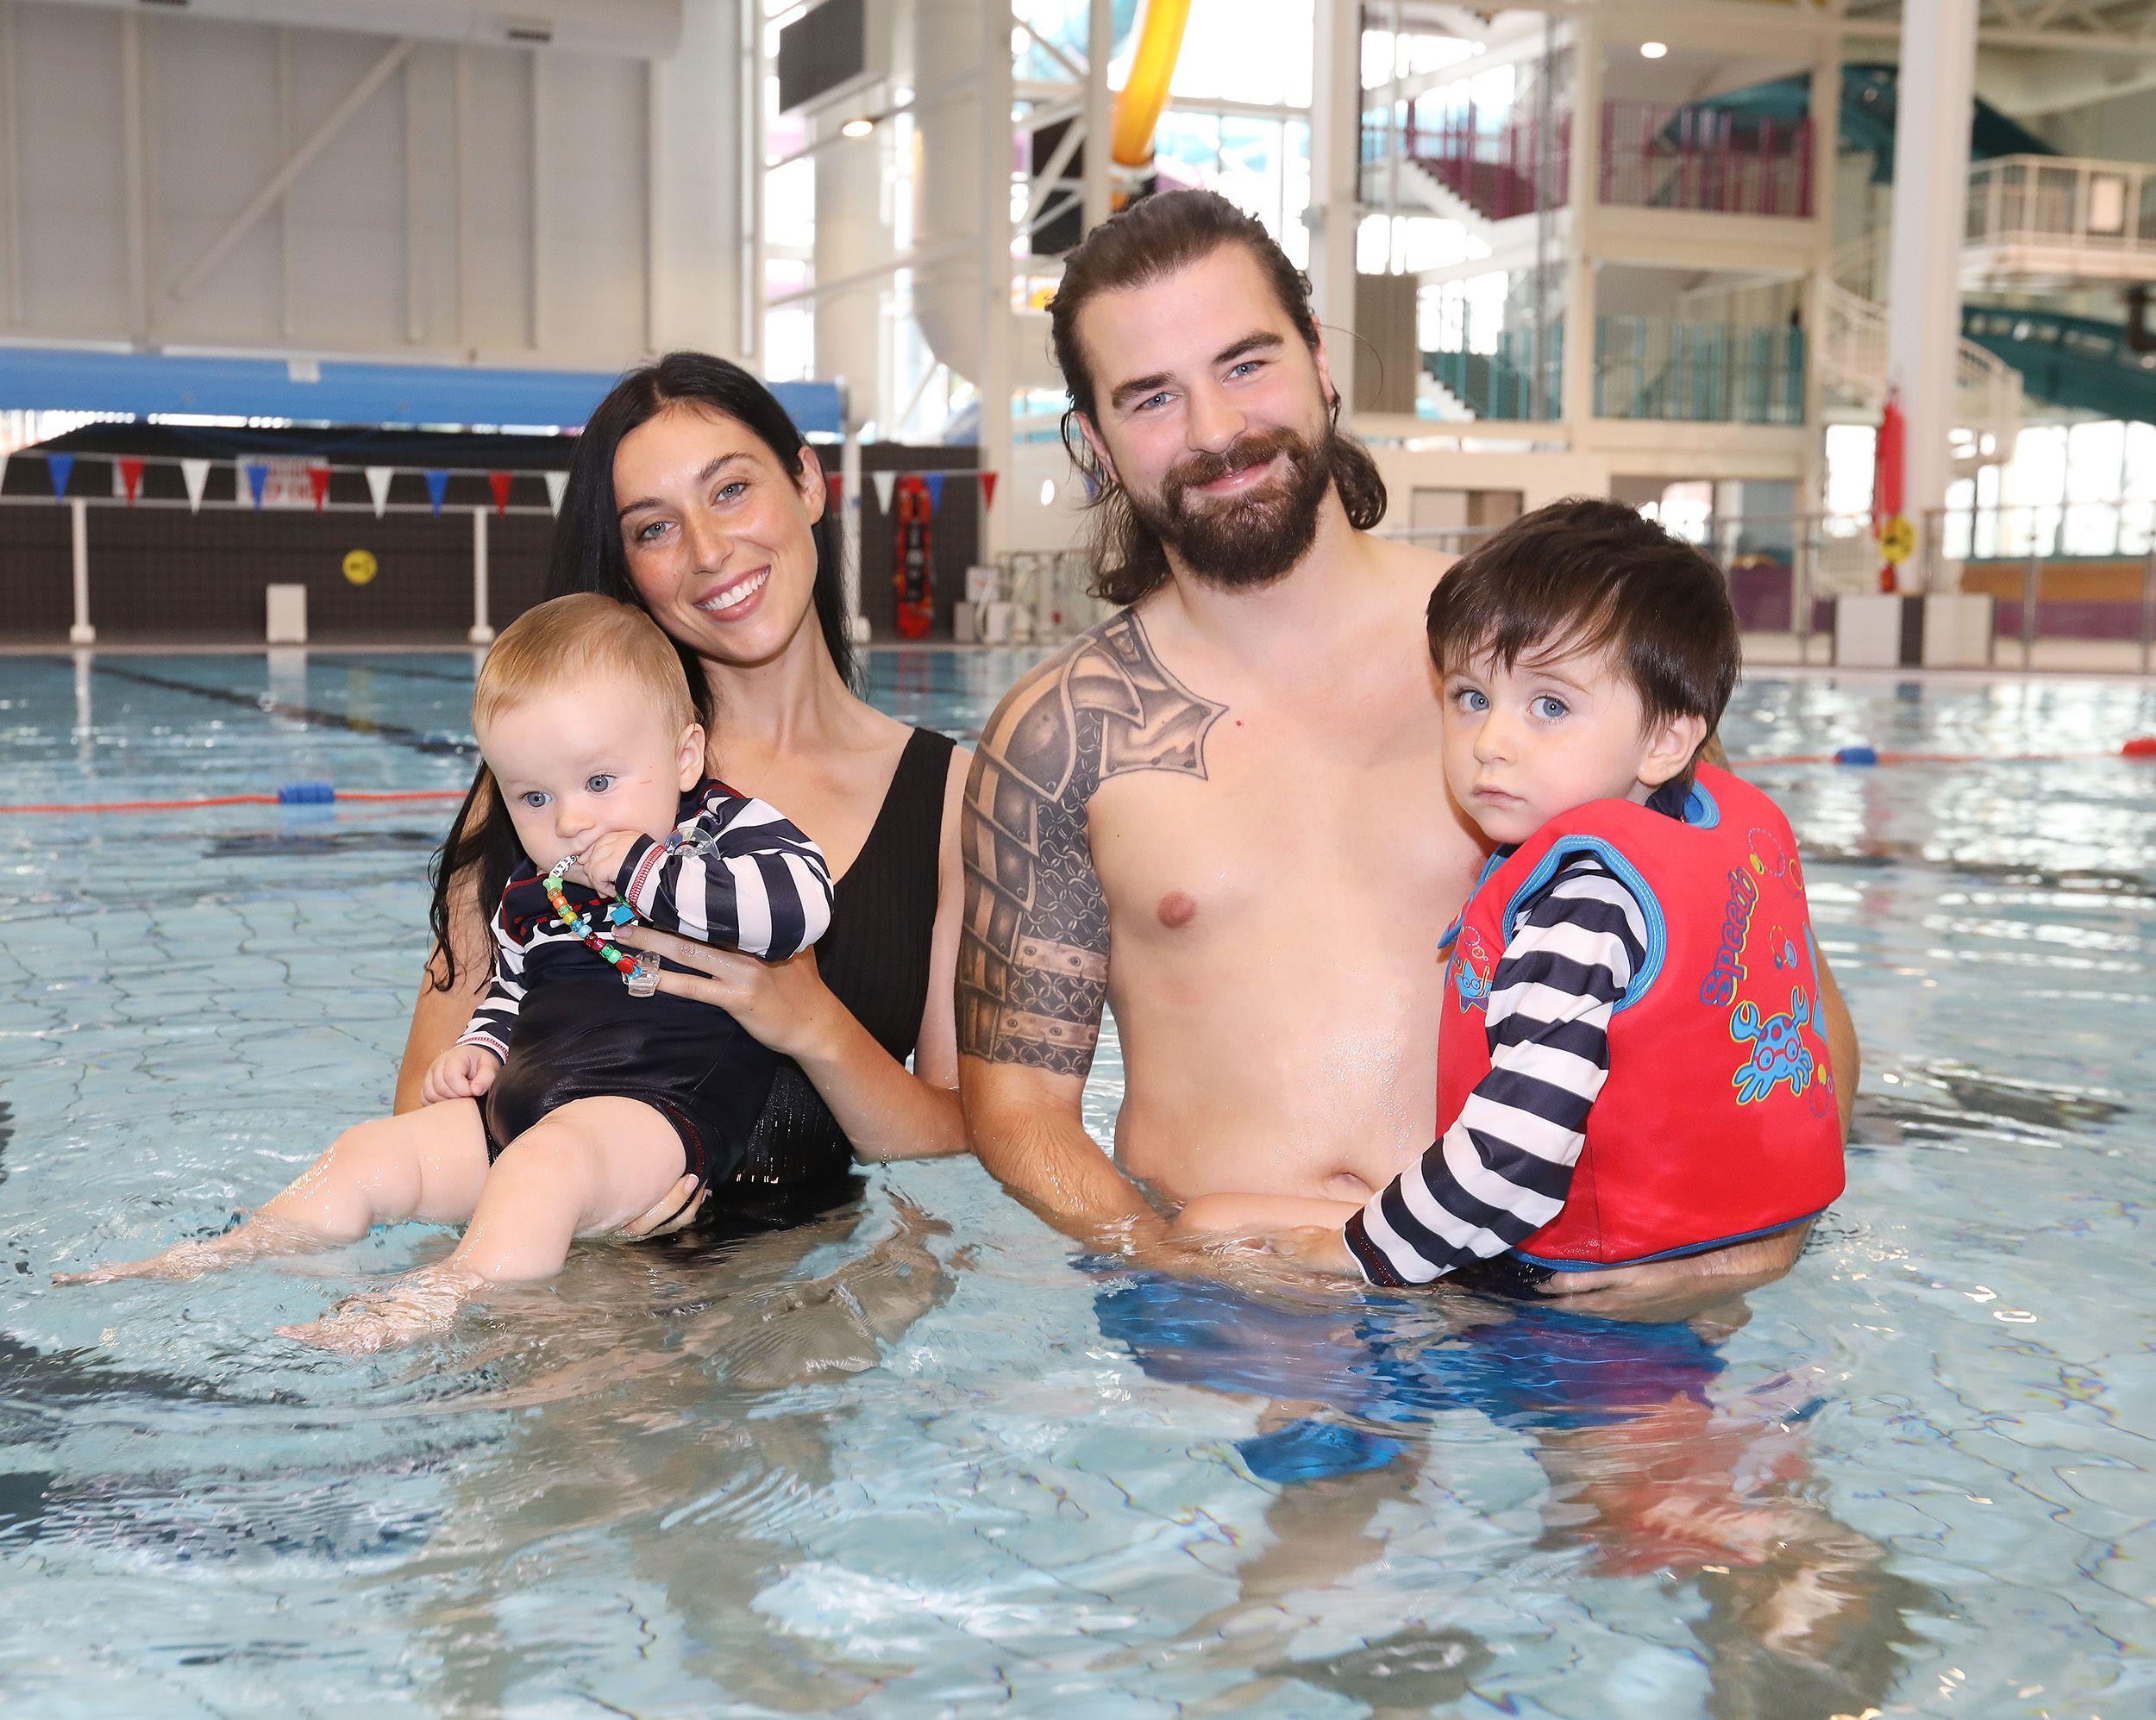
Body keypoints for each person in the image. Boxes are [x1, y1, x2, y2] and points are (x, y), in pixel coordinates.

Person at [957, 187, 1858, 1301]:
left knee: (1696, 1481)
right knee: (1327, 1472)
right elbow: (1015, 1106)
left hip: (1573, 1280)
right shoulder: (1058, 735)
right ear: (1093, 442)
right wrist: (1163, 1259)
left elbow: (1777, 990)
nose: (1215, 429)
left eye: (1247, 365)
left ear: (1323, 359)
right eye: (1152, 397)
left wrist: (1737, 1246)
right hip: (1247, 1297)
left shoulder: (1546, 666)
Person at [55, 594, 835, 1349]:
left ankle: (440, 1295)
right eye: (535, 796)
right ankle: (239, 1248)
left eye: (600, 782)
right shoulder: (537, 890)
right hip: (523, 1116)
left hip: (657, 1116)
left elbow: (803, 906)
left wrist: (645, 870)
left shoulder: (722, 835)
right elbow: (514, 987)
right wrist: (482, 1051)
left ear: (684, 755)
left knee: (545, 1165)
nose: (570, 820)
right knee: (370, 1150)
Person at [1175, 497, 1847, 1287]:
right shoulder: (1693, 836)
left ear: (1668, 739)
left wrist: (1359, 1252)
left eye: (1550, 706)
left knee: (1211, 1232)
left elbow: (1516, 1159)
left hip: (1570, 1271)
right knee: (1217, 1221)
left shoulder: (1584, 905)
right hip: (1696, 1238)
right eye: (1471, 698)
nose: (1491, 743)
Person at [398, 353, 971, 1233]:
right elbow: (424, 1116)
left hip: (800, 1308)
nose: (708, 551)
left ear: (807, 482)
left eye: (731, 489)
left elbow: (959, 1142)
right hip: (560, 1282)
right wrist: (580, 1201)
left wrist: (813, 1022)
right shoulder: (550, 794)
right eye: (654, 529)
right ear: (628, 568)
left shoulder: (947, 799)